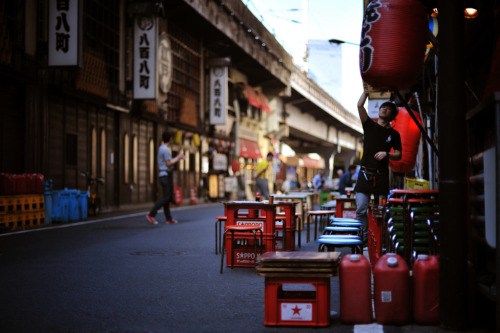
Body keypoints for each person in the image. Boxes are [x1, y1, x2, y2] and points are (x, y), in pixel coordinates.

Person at [355, 91, 402, 244]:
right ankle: (364, 239)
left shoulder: (394, 134)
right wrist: (368, 91)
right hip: (364, 174)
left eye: (388, 109)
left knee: (380, 212)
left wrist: (387, 154)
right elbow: (360, 105)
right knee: (361, 209)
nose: (384, 109)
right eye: (383, 107)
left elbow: (399, 154)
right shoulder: (369, 125)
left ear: (392, 115)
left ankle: (379, 240)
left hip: (381, 176)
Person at [146, 132, 185, 225]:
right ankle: (151, 214)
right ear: (170, 139)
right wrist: (178, 157)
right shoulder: (165, 149)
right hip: (165, 175)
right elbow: (169, 163)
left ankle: (168, 218)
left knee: (167, 197)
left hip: (163, 175)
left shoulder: (161, 148)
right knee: (166, 197)